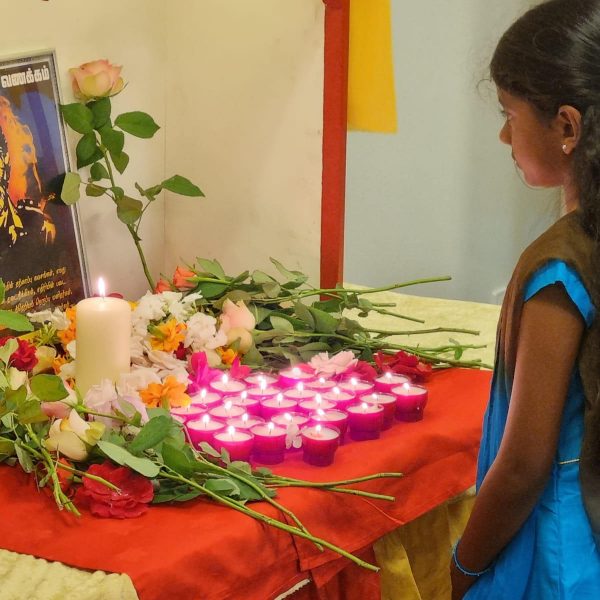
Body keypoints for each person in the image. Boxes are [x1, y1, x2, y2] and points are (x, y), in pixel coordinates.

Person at [450, 1, 600, 598]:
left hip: (559, 553)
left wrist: (463, 566)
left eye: (510, 114)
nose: (504, 135)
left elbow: (522, 467)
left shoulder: (559, 271)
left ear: (567, 127)